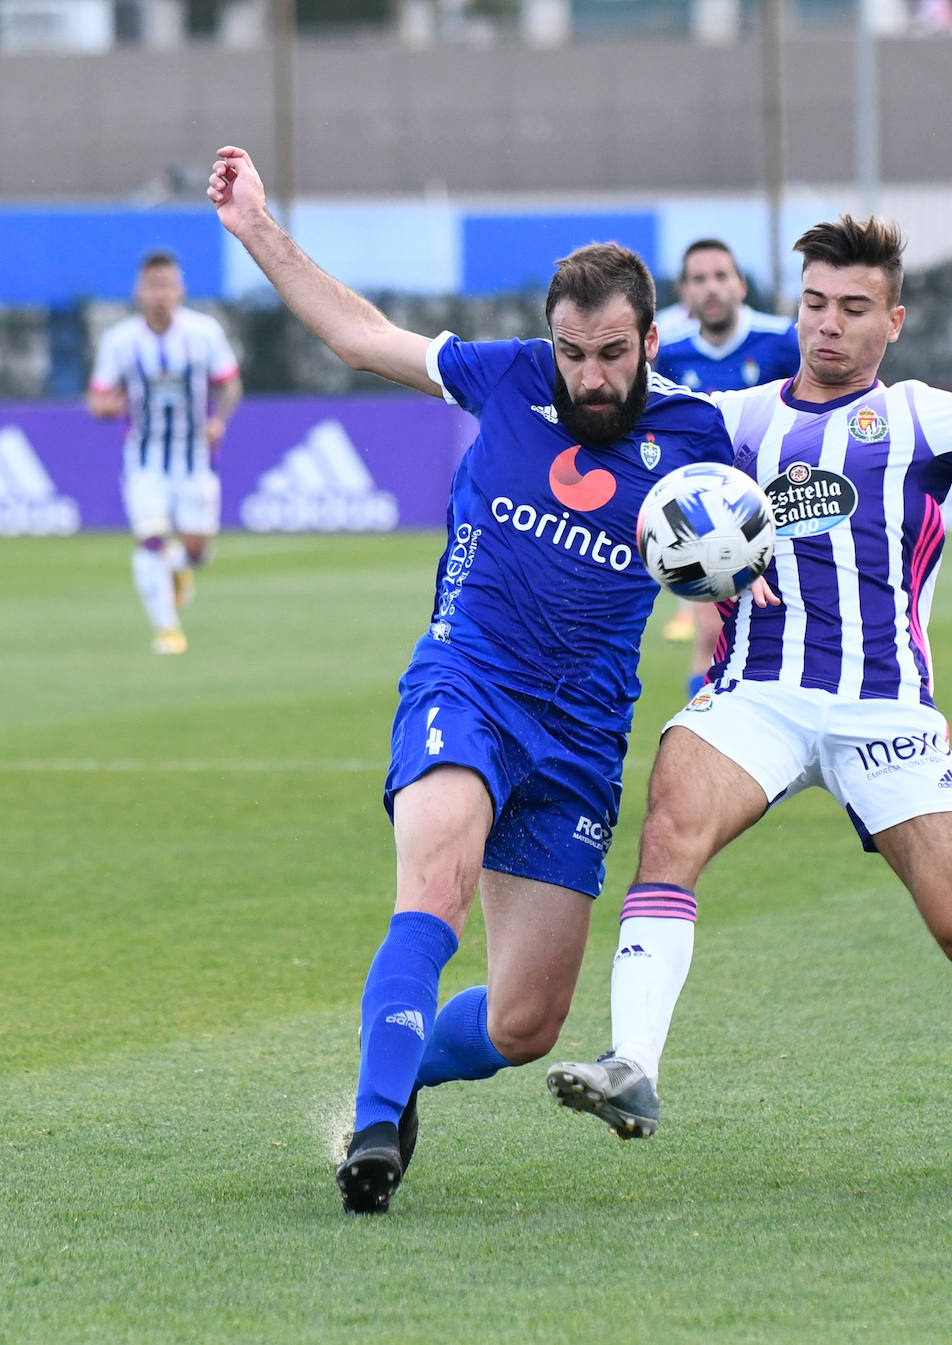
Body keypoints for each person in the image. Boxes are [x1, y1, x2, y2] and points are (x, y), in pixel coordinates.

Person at [206, 145, 736, 1214]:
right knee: (433, 889)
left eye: (612, 355)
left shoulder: (696, 437)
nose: (590, 376)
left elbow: (736, 552)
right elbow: (360, 337)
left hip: (583, 737)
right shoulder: (505, 377)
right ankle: (371, 1127)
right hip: (469, 683)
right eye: (574, 351)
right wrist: (257, 225)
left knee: (525, 1022)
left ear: (649, 341)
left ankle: (409, 1078)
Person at [548, 214, 952, 1183]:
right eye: (815, 303)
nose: (829, 326)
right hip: (758, 695)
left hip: (885, 708)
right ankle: (634, 1064)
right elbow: (611, 417)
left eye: (855, 309)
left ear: (893, 320)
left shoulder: (922, 418)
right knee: (670, 822)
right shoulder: (733, 418)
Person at [655, 239, 800, 693]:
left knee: (790, 630)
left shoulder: (783, 341)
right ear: (684, 291)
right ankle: (703, 734)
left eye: (721, 276)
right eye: (699, 279)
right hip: (705, 516)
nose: (711, 288)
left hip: (782, 508)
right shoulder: (668, 354)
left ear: (740, 285)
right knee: (711, 632)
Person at [85, 251, 242, 655]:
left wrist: (218, 421)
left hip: (195, 458)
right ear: (140, 292)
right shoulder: (121, 341)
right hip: (145, 459)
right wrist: (105, 408)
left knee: (197, 551)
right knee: (150, 539)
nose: (160, 295)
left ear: (180, 291)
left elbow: (230, 384)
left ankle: (178, 564)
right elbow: (97, 398)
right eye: (152, 287)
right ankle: (166, 629)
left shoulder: (204, 333)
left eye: (167, 286)